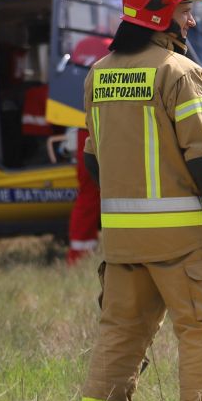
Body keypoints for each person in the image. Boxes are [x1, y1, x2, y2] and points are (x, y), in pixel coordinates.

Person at [75, 0, 202, 401]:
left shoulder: (99, 75)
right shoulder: (180, 73)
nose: (191, 21)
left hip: (124, 244)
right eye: (185, 10)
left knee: (120, 335)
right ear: (160, 15)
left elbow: (93, 164)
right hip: (186, 243)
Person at [65, 34, 113, 264]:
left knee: (88, 191)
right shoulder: (112, 47)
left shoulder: (82, 45)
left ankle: (78, 254)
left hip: (82, 122)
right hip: (105, 124)